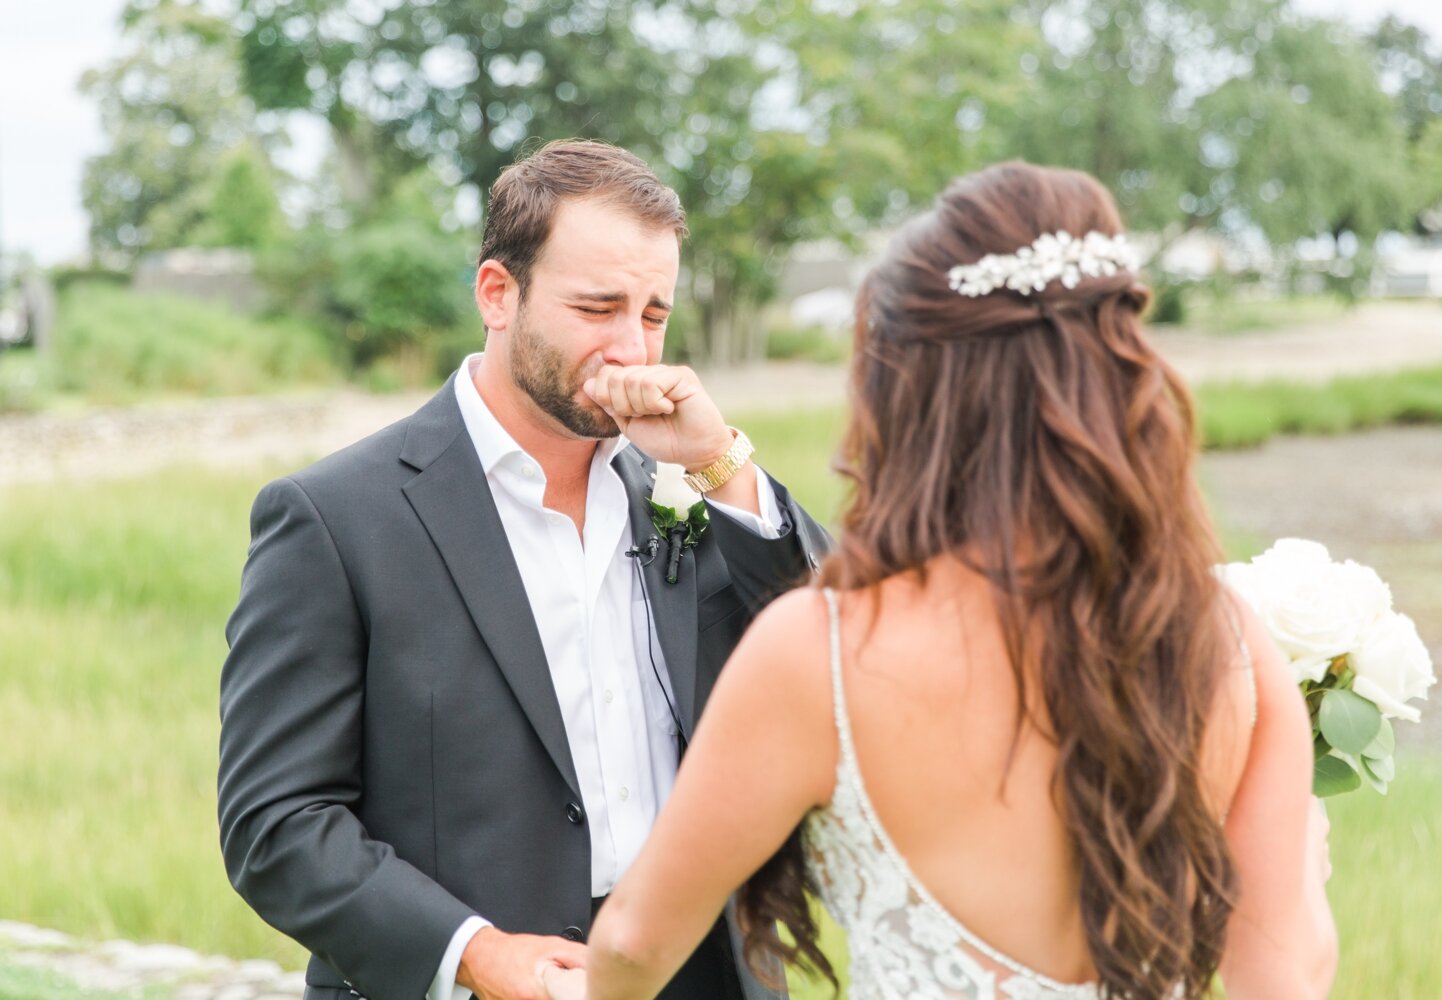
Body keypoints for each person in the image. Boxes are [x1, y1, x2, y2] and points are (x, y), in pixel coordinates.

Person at [556, 161, 1338, 999]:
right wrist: (1305, 860)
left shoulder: (821, 652)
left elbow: (636, 946)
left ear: (907, 391)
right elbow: (1285, 976)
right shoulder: (1231, 641)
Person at [217, 139, 829, 1000]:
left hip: (702, 975)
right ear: (498, 294)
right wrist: (472, 954)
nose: (632, 350)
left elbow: (845, 639)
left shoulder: (691, 488)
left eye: (653, 314)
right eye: (598, 307)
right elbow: (275, 824)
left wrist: (722, 463)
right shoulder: (332, 518)